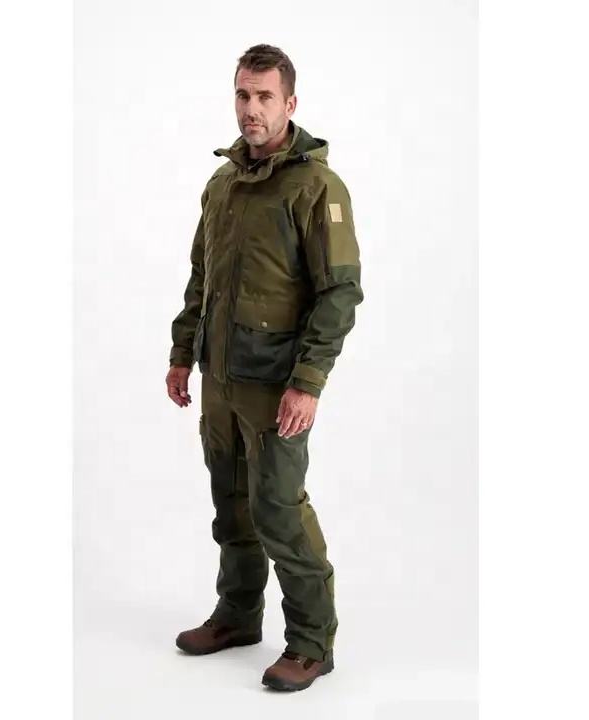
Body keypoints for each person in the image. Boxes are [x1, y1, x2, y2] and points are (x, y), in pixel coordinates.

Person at [166, 43, 364, 692]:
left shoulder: (316, 187)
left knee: (277, 509)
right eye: (242, 95)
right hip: (220, 378)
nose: (251, 109)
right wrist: (182, 354)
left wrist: (308, 383)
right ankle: (237, 615)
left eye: (264, 97)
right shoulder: (222, 184)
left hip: (276, 386)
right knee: (231, 506)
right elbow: (201, 278)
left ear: (290, 103)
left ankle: (311, 642)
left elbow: (339, 293)